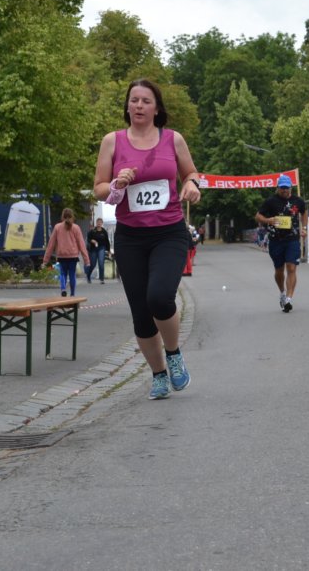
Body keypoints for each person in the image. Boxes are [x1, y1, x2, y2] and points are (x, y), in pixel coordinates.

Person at [93, 78, 201, 400]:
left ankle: (174, 354)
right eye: (134, 100)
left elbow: (191, 173)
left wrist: (191, 185)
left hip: (168, 232)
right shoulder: (112, 142)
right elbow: (99, 188)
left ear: (157, 108)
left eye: (146, 101)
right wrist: (117, 183)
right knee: (141, 314)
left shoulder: (173, 139)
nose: (139, 105)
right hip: (130, 237)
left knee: (159, 297)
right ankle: (158, 375)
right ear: (127, 106)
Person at [255, 174, 308, 313]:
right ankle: (282, 293)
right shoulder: (270, 201)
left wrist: (304, 228)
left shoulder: (297, 201)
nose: (285, 190)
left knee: (291, 267)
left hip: (292, 240)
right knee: (279, 270)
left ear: (291, 188)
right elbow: (258, 216)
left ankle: (289, 299)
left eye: (287, 188)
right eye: (282, 188)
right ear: (278, 187)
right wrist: (268, 220)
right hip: (276, 241)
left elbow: (304, 212)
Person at [42, 208, 91, 297]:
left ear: (62, 217)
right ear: (72, 216)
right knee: (72, 274)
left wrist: (45, 260)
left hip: (61, 255)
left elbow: (51, 244)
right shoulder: (76, 228)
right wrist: (86, 260)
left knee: (62, 274)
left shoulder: (57, 227)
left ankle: (63, 289)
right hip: (73, 256)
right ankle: (72, 294)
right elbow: (81, 244)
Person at [85, 218, 111, 284]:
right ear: (96, 223)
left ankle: (102, 279)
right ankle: (88, 275)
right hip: (93, 249)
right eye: (98, 222)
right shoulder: (92, 231)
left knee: (101, 263)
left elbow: (107, 242)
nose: (99, 223)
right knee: (93, 264)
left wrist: (108, 251)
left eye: (100, 222)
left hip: (101, 248)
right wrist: (92, 240)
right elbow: (88, 238)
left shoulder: (104, 232)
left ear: (102, 223)